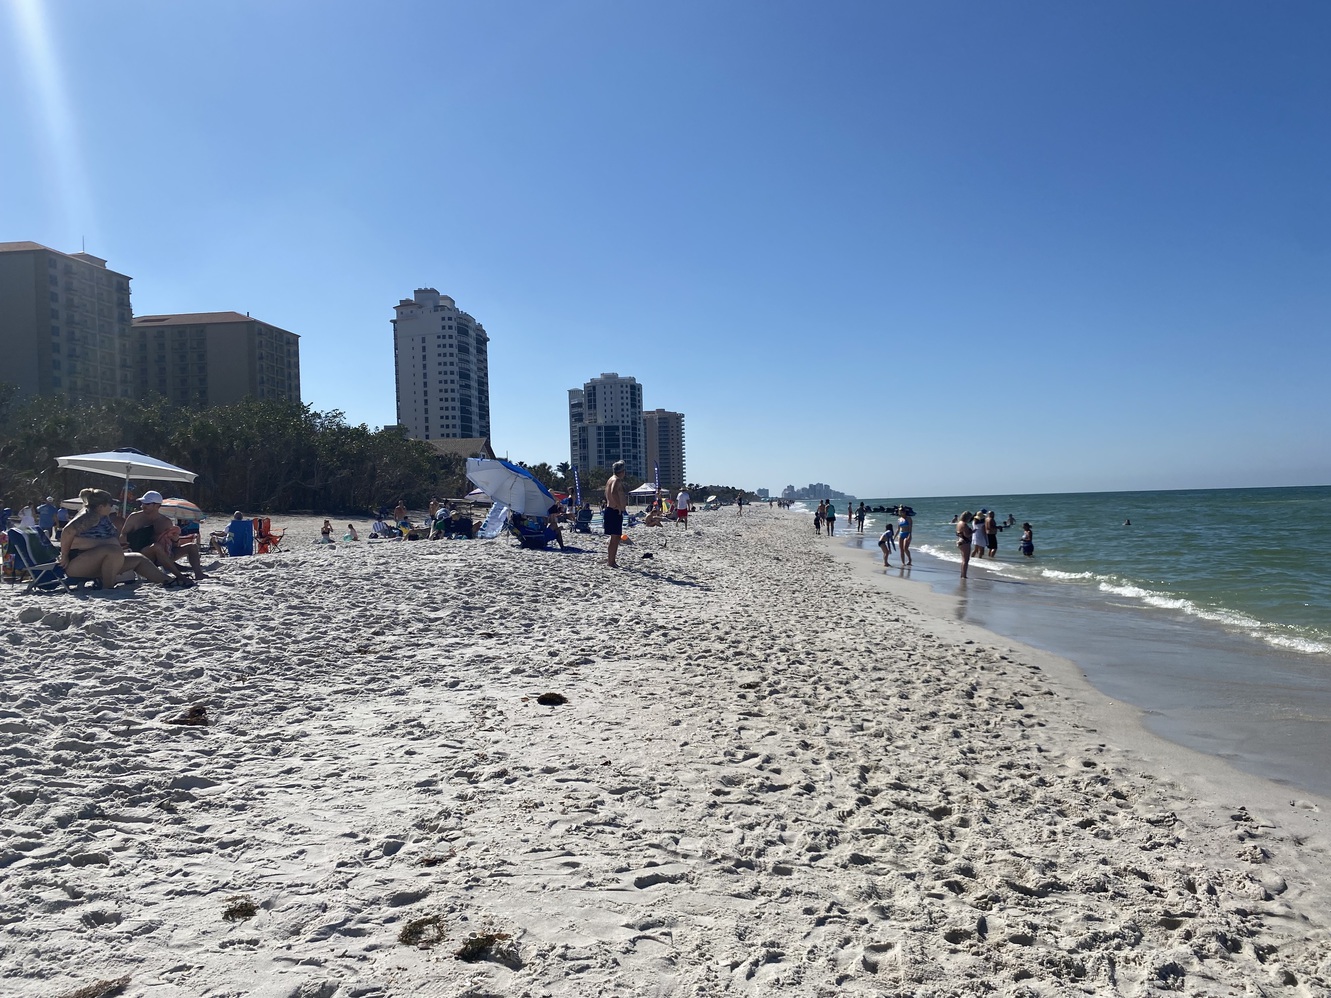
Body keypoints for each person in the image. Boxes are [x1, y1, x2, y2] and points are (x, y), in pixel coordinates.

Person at [62, 488, 172, 589]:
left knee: (139, 558)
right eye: (110, 504)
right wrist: (64, 556)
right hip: (78, 564)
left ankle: (169, 581)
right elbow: (67, 532)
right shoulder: (90, 515)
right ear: (101, 506)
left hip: (99, 560)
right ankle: (108, 587)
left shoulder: (102, 516)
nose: (112, 507)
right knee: (113, 551)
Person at [121, 490, 204, 582]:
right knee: (156, 547)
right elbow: (123, 535)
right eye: (142, 503)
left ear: (157, 506)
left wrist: (175, 539)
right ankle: (180, 576)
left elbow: (174, 546)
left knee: (192, 546)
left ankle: (199, 574)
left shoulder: (165, 521)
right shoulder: (135, 517)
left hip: (164, 554)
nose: (143, 506)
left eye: (147, 503)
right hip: (142, 553)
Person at [603, 460, 628, 567]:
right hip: (614, 510)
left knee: (616, 537)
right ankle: (611, 561)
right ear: (621, 471)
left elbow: (607, 492)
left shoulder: (610, 479)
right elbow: (613, 492)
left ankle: (612, 561)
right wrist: (618, 506)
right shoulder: (616, 480)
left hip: (611, 510)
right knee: (614, 537)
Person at [956, 511, 974, 579]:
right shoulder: (964, 524)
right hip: (965, 542)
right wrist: (972, 532)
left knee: (963, 559)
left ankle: (962, 574)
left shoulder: (959, 523)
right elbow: (967, 535)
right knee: (966, 560)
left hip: (959, 541)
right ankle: (964, 575)